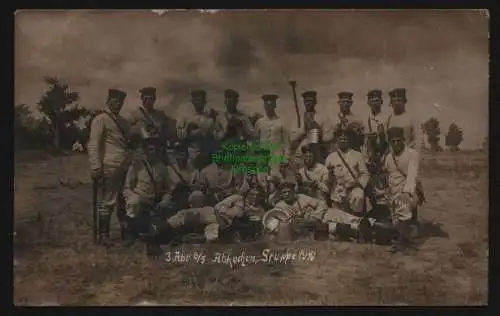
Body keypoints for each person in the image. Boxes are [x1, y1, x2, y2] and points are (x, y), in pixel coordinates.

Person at [87, 89, 131, 247]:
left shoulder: (124, 122)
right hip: (109, 165)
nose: (118, 104)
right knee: (108, 200)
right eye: (115, 101)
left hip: (125, 164)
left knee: (125, 199)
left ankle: (126, 232)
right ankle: (104, 235)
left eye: (120, 101)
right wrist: (95, 166)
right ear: (108, 101)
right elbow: (93, 144)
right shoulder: (101, 119)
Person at [121, 128, 177, 246]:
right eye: (150, 149)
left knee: (167, 211)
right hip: (139, 197)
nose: (152, 152)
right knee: (133, 203)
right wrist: (132, 197)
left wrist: (165, 199)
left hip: (154, 200)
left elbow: (169, 188)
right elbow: (127, 186)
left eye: (155, 149)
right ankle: (130, 233)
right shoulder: (137, 165)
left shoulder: (162, 167)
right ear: (145, 150)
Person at [383, 127, 421, 253]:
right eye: (392, 141)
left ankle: (400, 244)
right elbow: (389, 175)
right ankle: (406, 238)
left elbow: (412, 174)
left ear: (404, 140)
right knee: (395, 218)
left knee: (403, 208)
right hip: (393, 190)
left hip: (409, 189)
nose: (396, 144)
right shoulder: (389, 157)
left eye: (398, 140)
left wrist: (407, 192)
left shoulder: (411, 154)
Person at [386, 88, 425, 205]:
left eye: (400, 99)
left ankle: (412, 217)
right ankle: (397, 215)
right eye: (394, 100)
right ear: (391, 102)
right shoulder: (389, 119)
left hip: (408, 157)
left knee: (411, 185)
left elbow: (418, 139)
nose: (397, 102)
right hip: (393, 158)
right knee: (394, 185)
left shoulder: (411, 118)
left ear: (404, 101)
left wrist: (413, 157)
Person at [324, 128, 370, 216]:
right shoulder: (330, 157)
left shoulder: (357, 155)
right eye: (340, 139)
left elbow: (365, 174)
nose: (342, 141)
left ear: (348, 140)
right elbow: (326, 179)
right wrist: (330, 174)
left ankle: (356, 217)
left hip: (353, 188)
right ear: (336, 140)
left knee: (358, 196)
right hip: (337, 189)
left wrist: (359, 184)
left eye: (344, 139)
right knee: (339, 218)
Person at [126, 87, 176, 160]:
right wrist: (138, 129)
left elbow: (169, 132)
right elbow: (125, 131)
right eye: (145, 98)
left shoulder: (160, 115)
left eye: (150, 98)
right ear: (142, 99)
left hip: (158, 152)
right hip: (141, 152)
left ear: (154, 99)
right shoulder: (135, 114)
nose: (148, 101)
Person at [176, 90, 224, 164]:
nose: (198, 103)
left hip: (208, 154)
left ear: (205, 102)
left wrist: (214, 121)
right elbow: (180, 135)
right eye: (196, 100)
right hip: (192, 154)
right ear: (192, 101)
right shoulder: (185, 117)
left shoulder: (211, 117)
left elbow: (219, 136)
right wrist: (187, 126)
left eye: (201, 100)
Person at [290, 90, 335, 164]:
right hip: (301, 153)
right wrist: (303, 130)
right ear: (304, 102)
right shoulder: (298, 118)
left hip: (318, 152)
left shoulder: (322, 117)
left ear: (315, 101)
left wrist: (318, 131)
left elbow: (329, 136)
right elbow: (292, 137)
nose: (309, 103)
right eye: (306, 101)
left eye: (311, 100)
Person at [253, 94, 290, 179]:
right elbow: (254, 142)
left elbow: (287, 143)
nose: (268, 107)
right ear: (264, 106)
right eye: (266, 104)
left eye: (270, 104)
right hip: (262, 159)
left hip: (276, 158)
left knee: (276, 181)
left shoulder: (281, 122)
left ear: (275, 105)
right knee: (262, 182)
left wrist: (286, 158)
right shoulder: (259, 122)